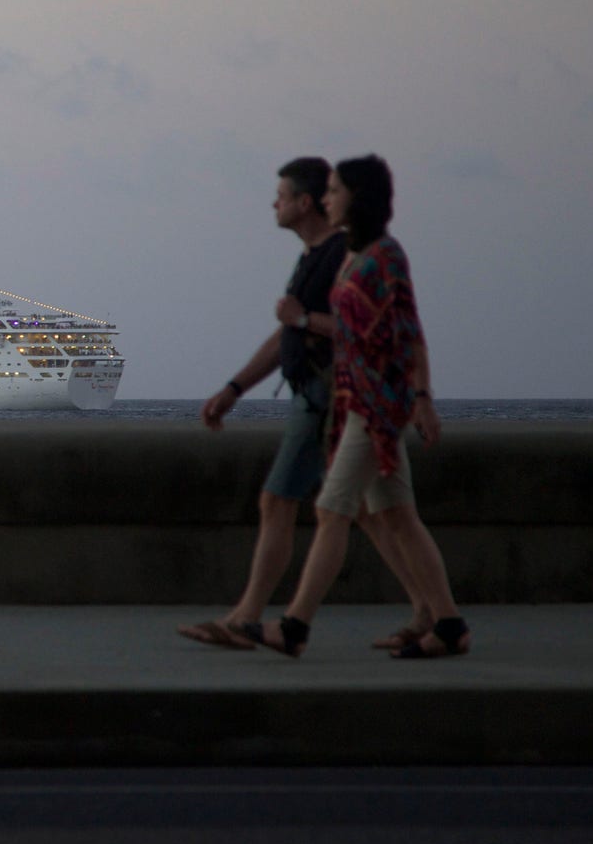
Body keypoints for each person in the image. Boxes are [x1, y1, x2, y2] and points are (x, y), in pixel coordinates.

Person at [179, 158, 429, 650]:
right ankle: (433, 613)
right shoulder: (317, 256)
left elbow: (367, 331)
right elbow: (286, 335)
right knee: (375, 512)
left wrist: (302, 320)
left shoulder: (344, 255)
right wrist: (235, 388)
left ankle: (250, 619)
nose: (273, 204)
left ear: (305, 202)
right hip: (329, 397)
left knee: (283, 501)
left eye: (281, 196)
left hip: (329, 397)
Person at [249, 155, 471, 659]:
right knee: (397, 516)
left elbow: (409, 333)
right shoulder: (353, 254)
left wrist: (422, 398)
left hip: (378, 405)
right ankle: (447, 622)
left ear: (357, 197)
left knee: (331, 510)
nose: (327, 199)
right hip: (353, 400)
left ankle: (294, 626)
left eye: (334, 190)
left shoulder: (386, 257)